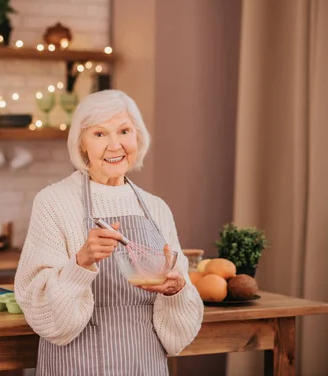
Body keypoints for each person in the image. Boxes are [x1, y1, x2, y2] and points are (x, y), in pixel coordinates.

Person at [14, 90, 204, 375]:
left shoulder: (156, 208)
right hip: (76, 364)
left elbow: (180, 335)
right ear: (82, 144)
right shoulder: (53, 202)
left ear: (137, 137)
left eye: (124, 131)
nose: (115, 145)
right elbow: (38, 307)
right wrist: (81, 262)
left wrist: (176, 292)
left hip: (145, 364)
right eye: (100, 134)